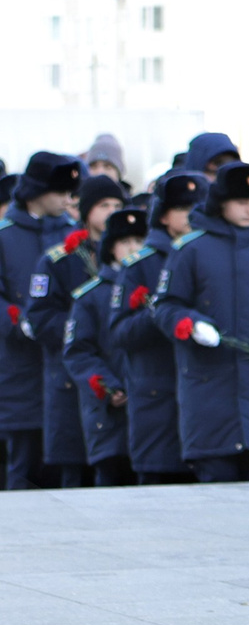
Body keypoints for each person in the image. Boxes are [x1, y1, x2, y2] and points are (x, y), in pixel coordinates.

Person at [155, 162, 249, 484]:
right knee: (216, 487)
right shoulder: (191, 250)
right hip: (209, 390)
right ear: (222, 202)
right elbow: (166, 305)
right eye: (241, 202)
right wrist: (192, 324)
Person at [34, 173, 128, 486]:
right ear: (86, 211)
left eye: (117, 205)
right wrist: (83, 325)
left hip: (117, 375)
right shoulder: (59, 260)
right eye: (104, 205)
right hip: (72, 376)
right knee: (75, 472)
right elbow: (40, 317)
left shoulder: (129, 256)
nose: (111, 212)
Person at [106, 174, 199, 484]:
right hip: (157, 396)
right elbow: (119, 332)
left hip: (206, 398)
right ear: (163, 215)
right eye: (183, 209)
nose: (191, 215)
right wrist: (162, 314)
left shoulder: (208, 255)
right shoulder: (140, 265)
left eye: (197, 208)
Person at [1, 154, 81, 488]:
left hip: (65, 360)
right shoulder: (5, 236)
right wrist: (17, 323)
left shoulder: (73, 237)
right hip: (20, 364)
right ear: (36, 192)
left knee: (67, 464)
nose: (67, 199)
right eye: (59, 192)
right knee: (24, 461)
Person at [63, 204, 150, 486]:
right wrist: (107, 386)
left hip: (152, 410)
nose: (133, 248)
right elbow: (78, 352)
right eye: (125, 242)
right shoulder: (91, 296)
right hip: (111, 415)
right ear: (111, 247)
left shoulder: (157, 290)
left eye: (139, 241)